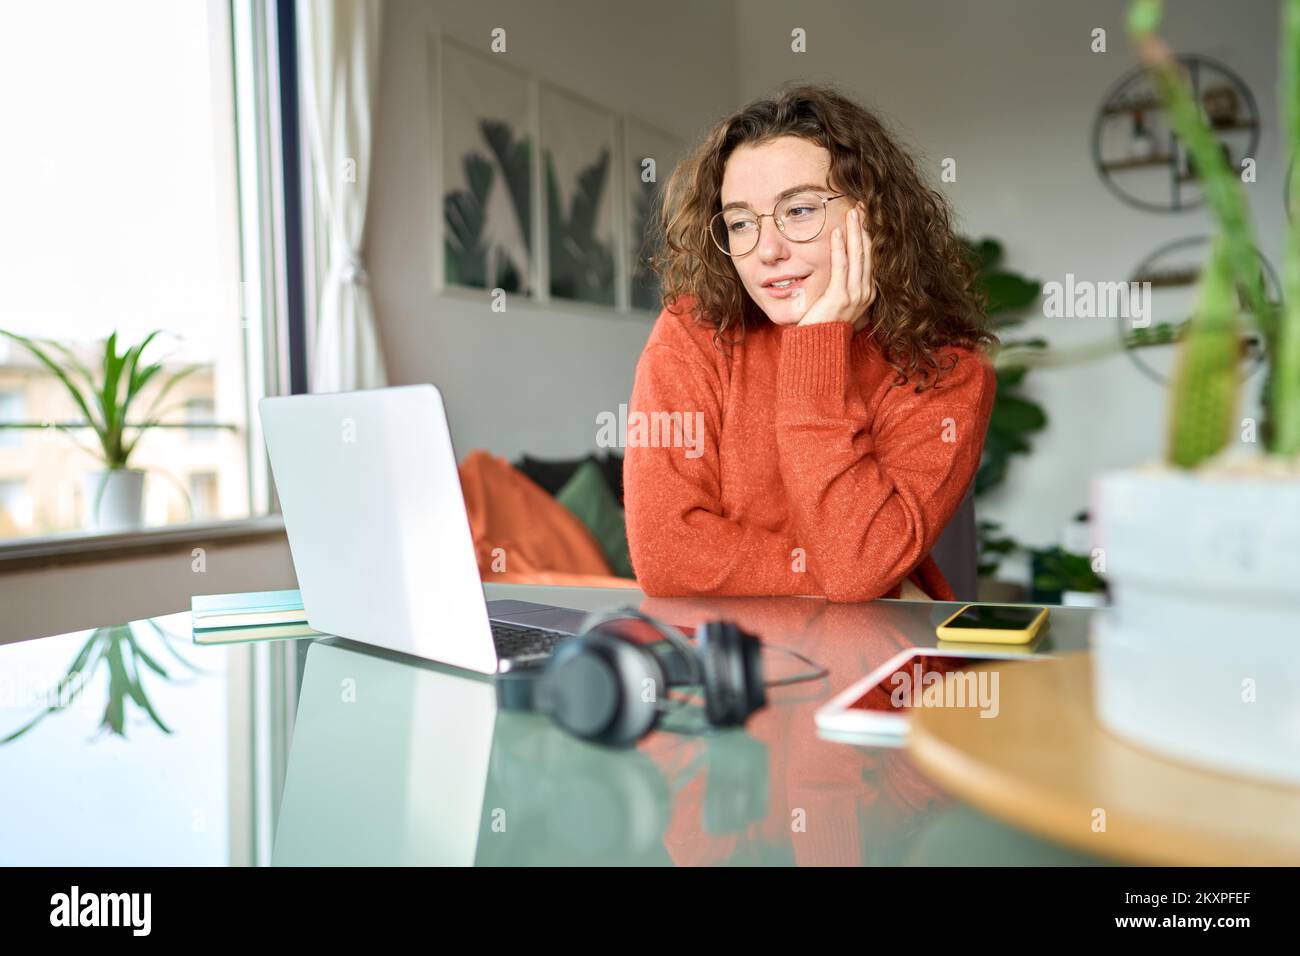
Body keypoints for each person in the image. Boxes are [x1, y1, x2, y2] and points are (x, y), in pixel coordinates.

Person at [624, 83, 998, 602]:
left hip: (880, 669)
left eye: (798, 210)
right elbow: (665, 553)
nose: (767, 250)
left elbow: (857, 565)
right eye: (739, 223)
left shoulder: (946, 369)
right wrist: (859, 583)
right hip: (730, 668)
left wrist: (819, 342)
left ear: (875, 214)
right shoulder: (695, 330)